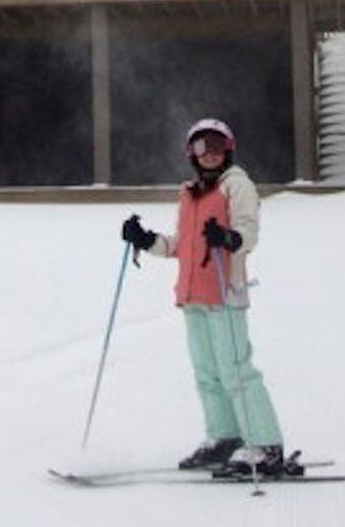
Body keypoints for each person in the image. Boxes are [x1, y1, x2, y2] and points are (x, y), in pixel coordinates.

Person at [120, 118, 289, 476]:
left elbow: (248, 231)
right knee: (207, 373)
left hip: (225, 293)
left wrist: (228, 239)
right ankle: (225, 436)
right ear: (191, 154)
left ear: (228, 149)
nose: (208, 154)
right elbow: (179, 247)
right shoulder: (190, 193)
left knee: (236, 370)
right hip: (193, 296)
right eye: (200, 147)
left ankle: (265, 444)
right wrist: (145, 239)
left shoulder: (237, 186)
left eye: (215, 145)